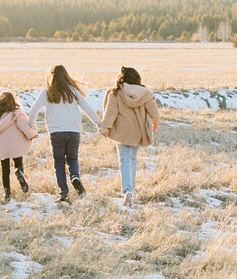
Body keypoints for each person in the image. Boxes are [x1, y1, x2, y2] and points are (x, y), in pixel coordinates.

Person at [27, 64, 101, 202]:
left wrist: (31, 129)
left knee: (59, 163)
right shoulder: (73, 91)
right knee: (73, 159)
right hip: (74, 131)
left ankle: (63, 193)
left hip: (56, 133)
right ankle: (75, 177)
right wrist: (99, 124)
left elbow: (33, 111)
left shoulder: (47, 92)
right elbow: (88, 109)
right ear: (66, 76)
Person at [98, 67, 159, 208]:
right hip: (138, 132)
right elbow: (154, 111)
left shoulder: (116, 93)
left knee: (124, 160)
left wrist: (104, 128)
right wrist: (155, 122)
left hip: (123, 133)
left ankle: (128, 190)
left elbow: (110, 113)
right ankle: (130, 189)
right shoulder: (145, 93)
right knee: (132, 160)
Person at [0, 91, 37, 202]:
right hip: (16, 144)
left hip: (2, 146)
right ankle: (19, 172)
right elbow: (24, 127)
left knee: (5, 169)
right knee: (18, 162)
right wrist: (33, 134)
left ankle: (7, 192)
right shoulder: (17, 113)